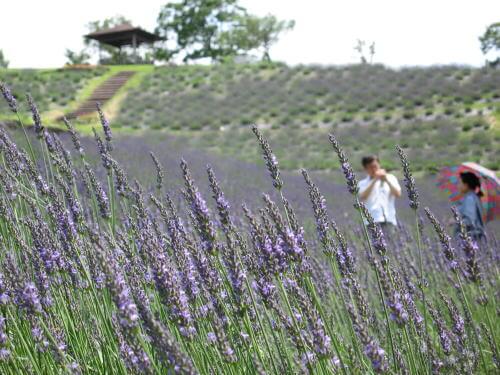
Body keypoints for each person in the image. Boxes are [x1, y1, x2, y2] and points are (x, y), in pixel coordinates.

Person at [358, 155, 402, 236]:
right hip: (371, 221)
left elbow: (398, 194)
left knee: (392, 247)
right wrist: (375, 180)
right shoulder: (362, 183)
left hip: (389, 219)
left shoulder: (391, 178)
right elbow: (362, 196)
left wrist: (386, 180)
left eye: (375, 166)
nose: (374, 169)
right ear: (365, 169)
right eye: (370, 167)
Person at [456, 172, 485, 241]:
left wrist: (455, 221)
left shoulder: (470, 198)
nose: (458, 186)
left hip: (470, 240)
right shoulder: (473, 197)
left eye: (459, 183)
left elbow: (469, 221)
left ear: (466, 185)